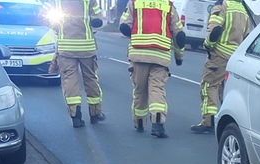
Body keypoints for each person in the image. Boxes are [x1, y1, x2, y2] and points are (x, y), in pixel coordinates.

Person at [119, 0, 186, 138]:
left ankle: (139, 123)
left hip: (139, 54)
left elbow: (124, 25)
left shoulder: (135, 2)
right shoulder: (168, 5)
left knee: (140, 90)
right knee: (157, 89)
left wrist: (134, 34)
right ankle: (157, 124)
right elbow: (179, 35)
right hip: (160, 56)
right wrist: (179, 57)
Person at [189, 0, 250, 134]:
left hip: (219, 55)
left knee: (208, 85)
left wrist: (207, 45)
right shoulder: (242, 9)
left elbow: (215, 30)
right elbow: (247, 36)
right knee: (226, 89)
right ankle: (227, 121)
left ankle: (208, 121)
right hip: (234, 58)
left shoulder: (221, 5)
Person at [51, 0, 106, 128]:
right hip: (86, 47)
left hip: (66, 47)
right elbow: (98, 19)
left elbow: (51, 21)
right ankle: (95, 113)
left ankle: (75, 115)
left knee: (70, 80)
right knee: (91, 79)